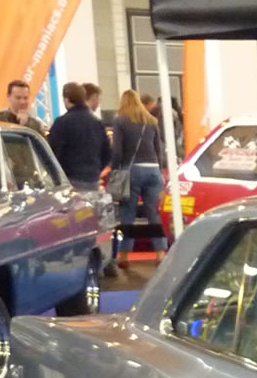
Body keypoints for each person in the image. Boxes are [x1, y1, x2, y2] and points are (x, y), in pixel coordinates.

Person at [112, 90, 167, 261]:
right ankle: (160, 253)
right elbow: (158, 150)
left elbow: (117, 150)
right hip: (153, 170)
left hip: (132, 171)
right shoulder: (151, 121)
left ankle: (124, 255)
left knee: (127, 213)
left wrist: (115, 170)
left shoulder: (120, 121)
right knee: (153, 213)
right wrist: (160, 171)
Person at [47, 82, 111, 189]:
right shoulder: (97, 123)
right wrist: (96, 169)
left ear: (66, 100)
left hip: (70, 178)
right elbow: (107, 152)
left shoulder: (62, 122)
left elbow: (53, 152)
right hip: (92, 179)